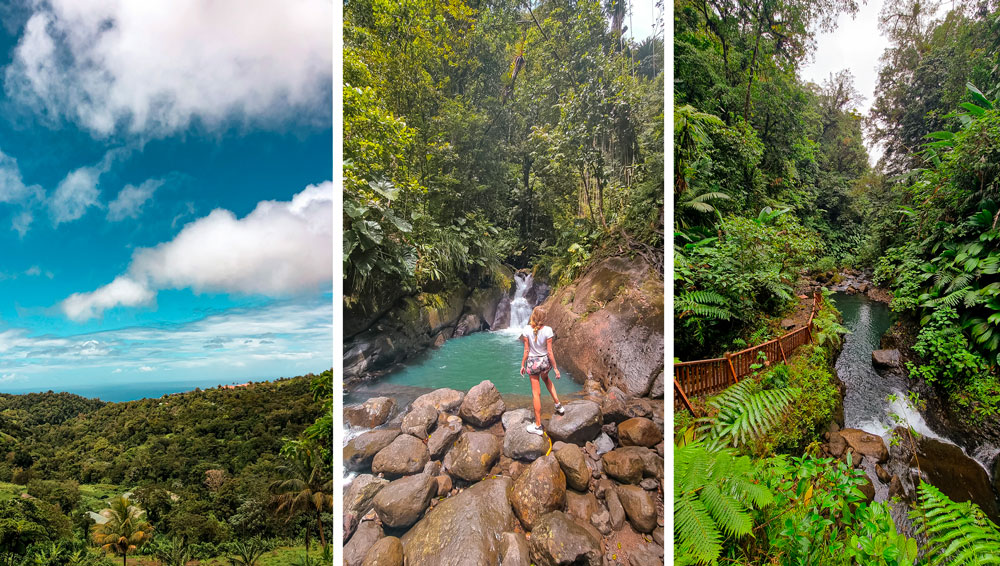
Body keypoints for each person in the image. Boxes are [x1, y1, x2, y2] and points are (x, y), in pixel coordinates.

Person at [519, 306, 565, 436]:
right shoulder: (548, 330)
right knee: (546, 379)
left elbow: (526, 350)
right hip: (544, 362)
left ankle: (538, 425)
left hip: (533, 363)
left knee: (536, 394)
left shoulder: (527, 330)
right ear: (544, 318)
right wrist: (555, 368)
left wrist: (522, 365)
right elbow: (550, 352)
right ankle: (558, 405)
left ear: (532, 316)